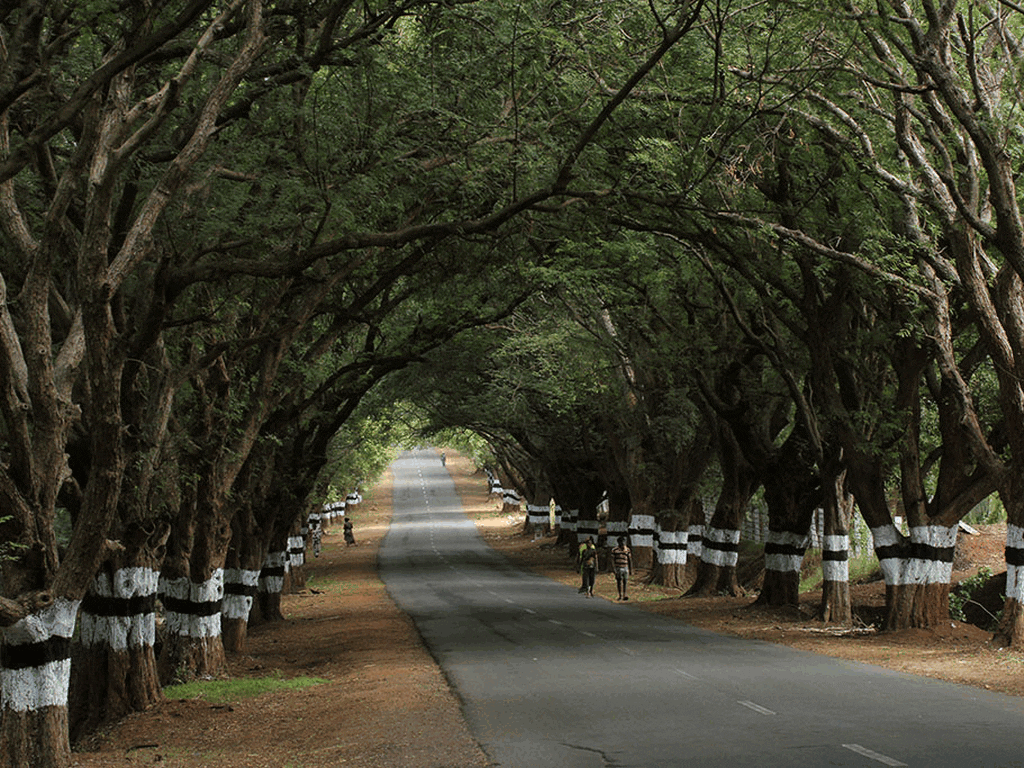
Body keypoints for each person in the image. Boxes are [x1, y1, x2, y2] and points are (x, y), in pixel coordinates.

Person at [611, 535, 632, 601]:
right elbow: (612, 560)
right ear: (618, 542)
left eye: (623, 542)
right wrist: (614, 569)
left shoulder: (627, 550)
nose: (623, 543)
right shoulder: (615, 550)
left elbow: (630, 560)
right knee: (619, 581)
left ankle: (625, 594)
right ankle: (620, 595)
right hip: (618, 567)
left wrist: (631, 569)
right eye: (621, 542)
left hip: (625, 567)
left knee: (625, 581)